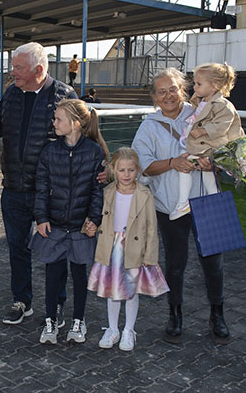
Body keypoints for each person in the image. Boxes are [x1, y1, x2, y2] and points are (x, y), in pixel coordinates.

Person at [0, 42, 78, 325]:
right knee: (17, 249)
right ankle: (22, 301)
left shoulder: (63, 95)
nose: (12, 73)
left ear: (38, 70)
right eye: (13, 67)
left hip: (50, 194)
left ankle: (55, 306)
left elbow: (79, 140)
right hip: (13, 191)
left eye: (18, 68)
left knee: (55, 252)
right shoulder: (11, 94)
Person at [132, 67, 231, 345]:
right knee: (176, 264)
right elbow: (143, 166)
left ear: (183, 90)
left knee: (213, 262)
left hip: (206, 199)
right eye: (161, 91)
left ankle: (217, 315)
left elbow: (228, 147)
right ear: (154, 96)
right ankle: (175, 315)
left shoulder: (203, 111)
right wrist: (173, 163)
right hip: (170, 205)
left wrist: (215, 162)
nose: (168, 96)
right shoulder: (149, 127)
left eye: (172, 89)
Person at [29, 99, 108, 344]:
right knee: (53, 274)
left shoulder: (94, 151)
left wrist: (94, 219)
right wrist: (41, 218)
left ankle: (78, 321)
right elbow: (41, 189)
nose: (54, 123)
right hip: (54, 226)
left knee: (79, 274)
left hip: (80, 228)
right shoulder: (49, 151)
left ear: (76, 123)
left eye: (58, 119)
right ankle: (50, 321)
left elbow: (97, 191)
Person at [87, 147, 169, 351]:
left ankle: (129, 330)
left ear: (137, 170)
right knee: (112, 289)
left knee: (131, 291)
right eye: (122, 170)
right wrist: (89, 226)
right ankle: (112, 329)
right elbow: (96, 216)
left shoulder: (144, 195)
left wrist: (149, 255)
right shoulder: (107, 192)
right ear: (113, 170)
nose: (126, 175)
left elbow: (151, 227)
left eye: (131, 170)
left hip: (134, 249)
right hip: (111, 247)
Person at [169, 63, 244, 220]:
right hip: (199, 143)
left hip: (206, 145)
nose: (195, 88)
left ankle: (183, 203)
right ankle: (216, 202)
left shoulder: (223, 105)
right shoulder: (204, 101)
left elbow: (222, 125)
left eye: (199, 84)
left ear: (214, 85)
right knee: (207, 175)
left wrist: (204, 130)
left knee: (184, 165)